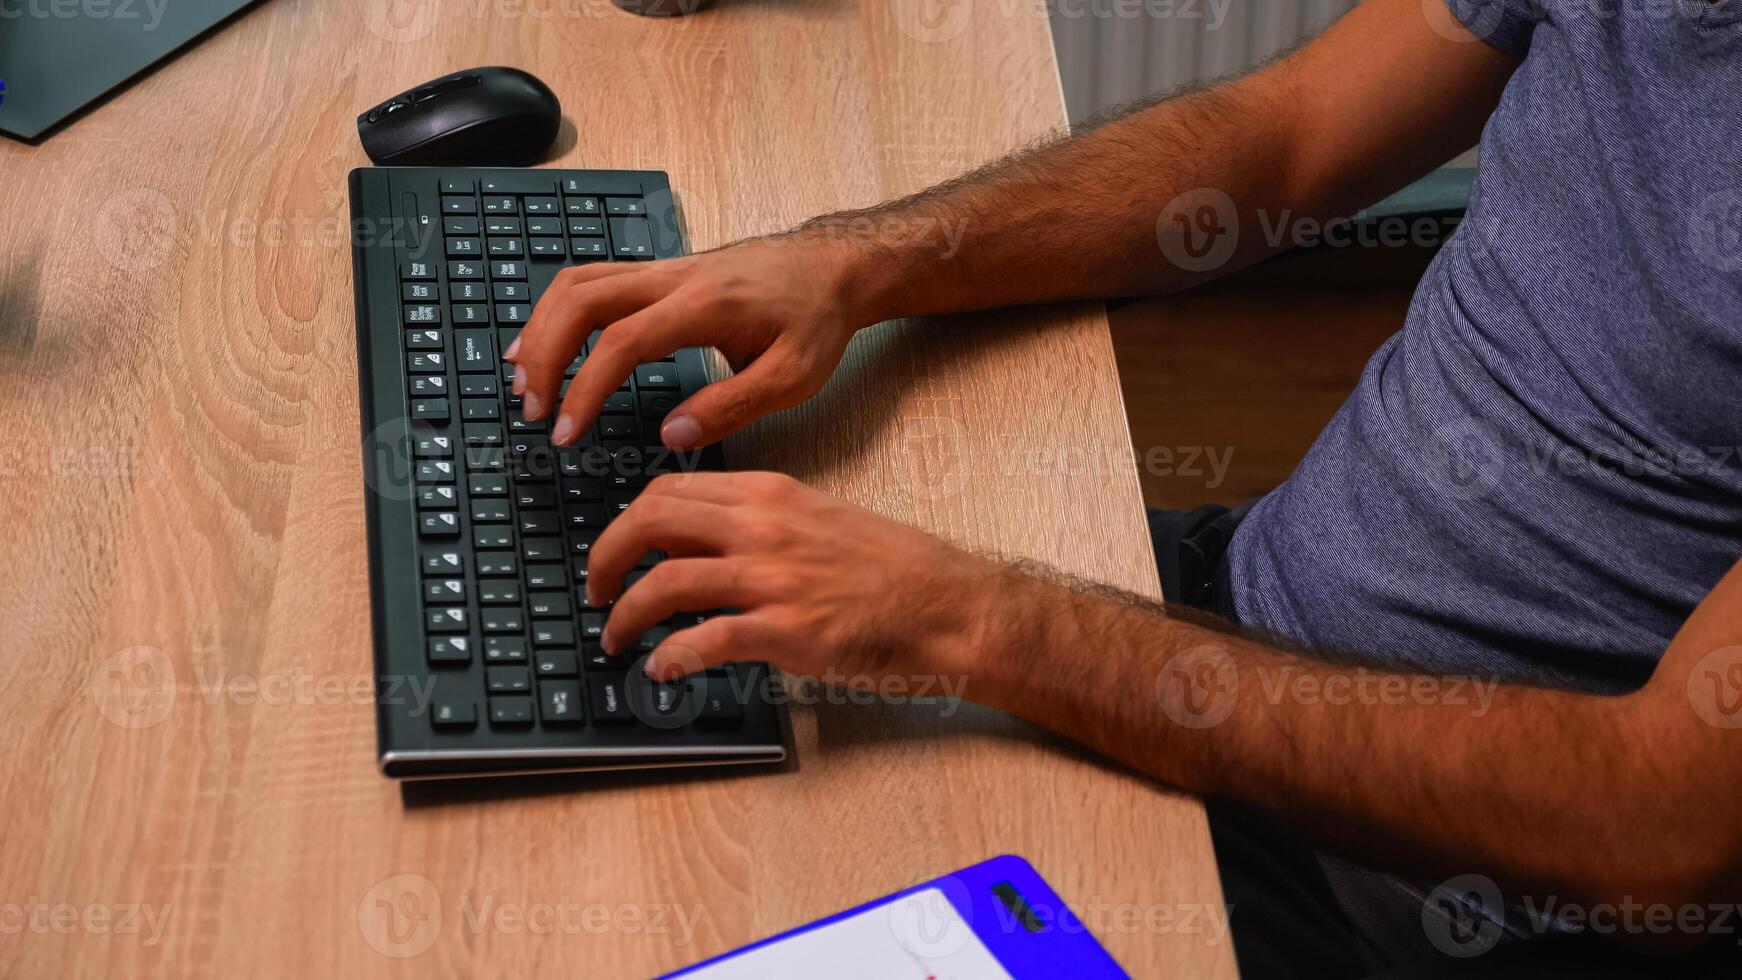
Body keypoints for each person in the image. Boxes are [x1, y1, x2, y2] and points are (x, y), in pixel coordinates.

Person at [506, 0, 1742, 972]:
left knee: (679, 898)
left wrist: (972, 620)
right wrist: (857, 262)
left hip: (1413, 901)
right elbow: (1290, 137)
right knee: (619, 739)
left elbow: (1653, 830)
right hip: (1234, 617)